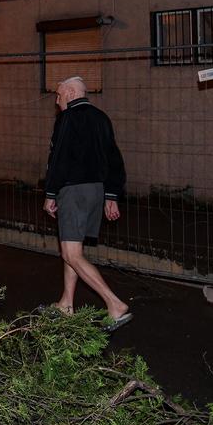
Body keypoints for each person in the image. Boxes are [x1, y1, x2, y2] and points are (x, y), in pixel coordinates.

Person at [43, 76, 132, 329]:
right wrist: (111, 196)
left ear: (71, 93)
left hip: (73, 191)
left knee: (71, 253)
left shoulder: (68, 118)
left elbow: (58, 159)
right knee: (73, 250)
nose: (57, 101)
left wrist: (50, 193)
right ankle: (66, 304)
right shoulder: (101, 118)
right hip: (96, 191)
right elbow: (115, 159)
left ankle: (115, 304)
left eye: (59, 96)